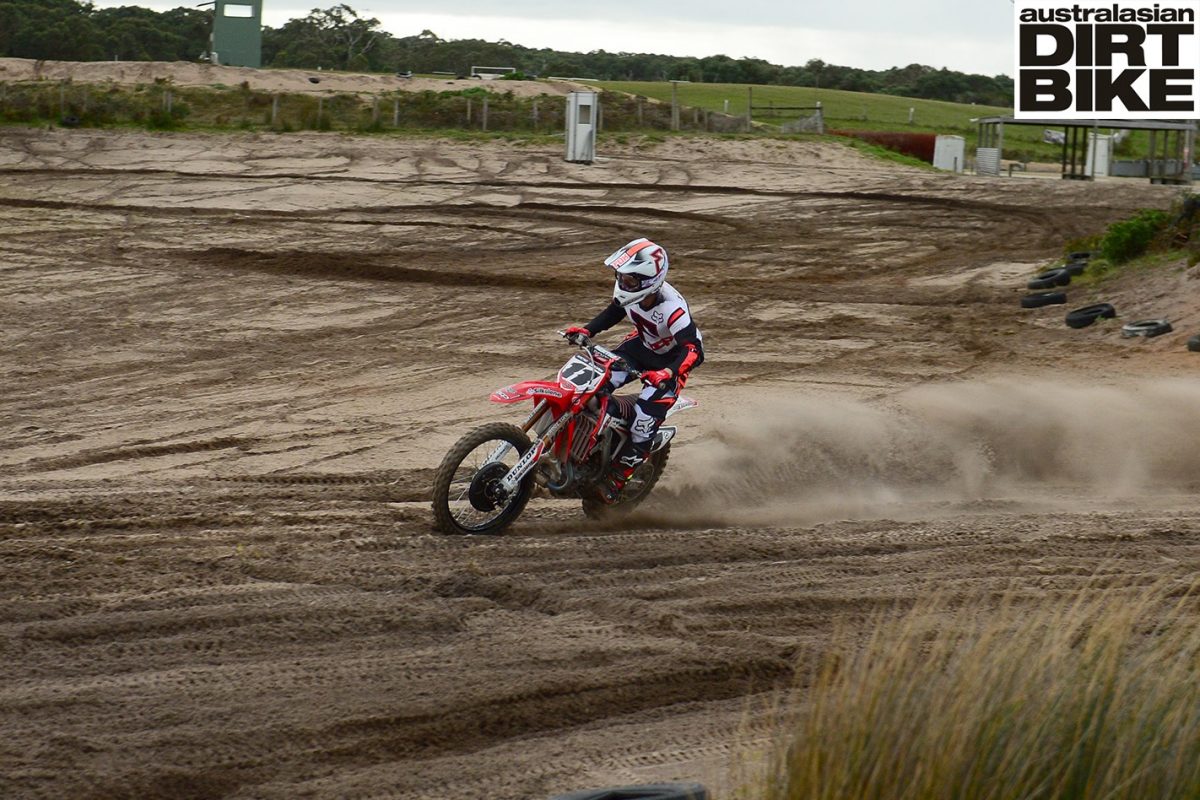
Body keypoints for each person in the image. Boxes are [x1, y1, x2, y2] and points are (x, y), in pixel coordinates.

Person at [564, 238, 703, 503]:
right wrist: (587, 329)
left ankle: (619, 477)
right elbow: (615, 310)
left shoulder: (672, 309)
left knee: (644, 420)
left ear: (650, 280)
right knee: (591, 384)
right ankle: (582, 445)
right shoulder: (632, 293)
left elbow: (694, 350)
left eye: (629, 280)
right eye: (621, 277)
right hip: (640, 347)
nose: (623, 284)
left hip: (671, 362)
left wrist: (669, 373)